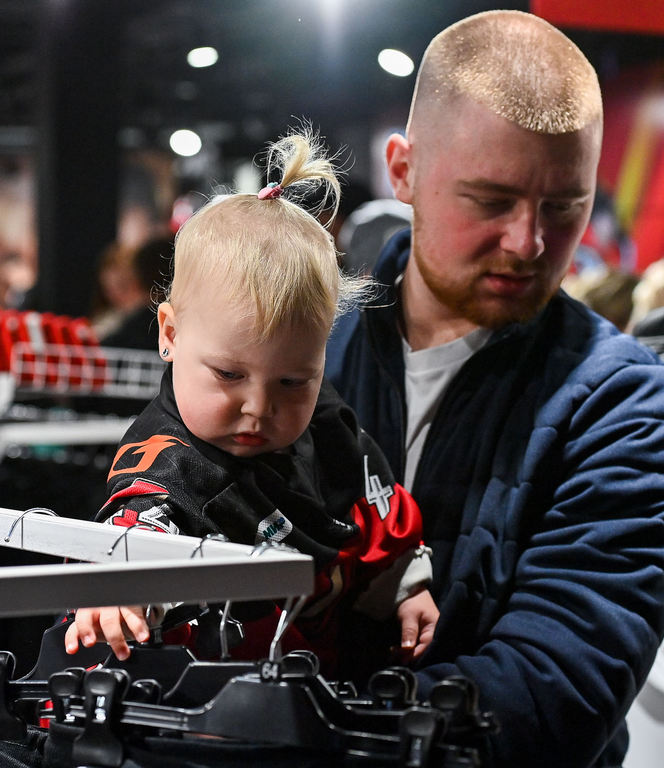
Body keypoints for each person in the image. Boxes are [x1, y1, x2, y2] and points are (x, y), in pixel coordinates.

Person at [326, 11, 664, 767]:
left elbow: (555, 691)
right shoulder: (302, 347)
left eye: (565, 207)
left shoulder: (624, 404)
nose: (528, 244)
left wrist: (294, 728)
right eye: (490, 201)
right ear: (403, 170)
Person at [66, 132, 440, 681]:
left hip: (313, 688)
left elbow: (375, 510)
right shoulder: (168, 460)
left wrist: (407, 583)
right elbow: (141, 525)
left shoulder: (328, 426)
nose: (259, 407)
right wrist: (120, 587)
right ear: (169, 333)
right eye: (229, 374)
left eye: (293, 380)